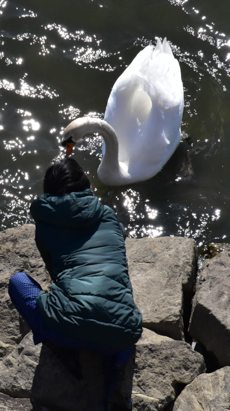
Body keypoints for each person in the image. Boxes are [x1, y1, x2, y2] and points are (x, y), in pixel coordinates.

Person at [8, 157, 142, 409]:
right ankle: (114, 380)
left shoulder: (46, 223)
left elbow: (54, 272)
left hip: (65, 328)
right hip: (122, 333)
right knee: (121, 323)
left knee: (18, 282)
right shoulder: (109, 216)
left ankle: (60, 345)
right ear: (85, 184)